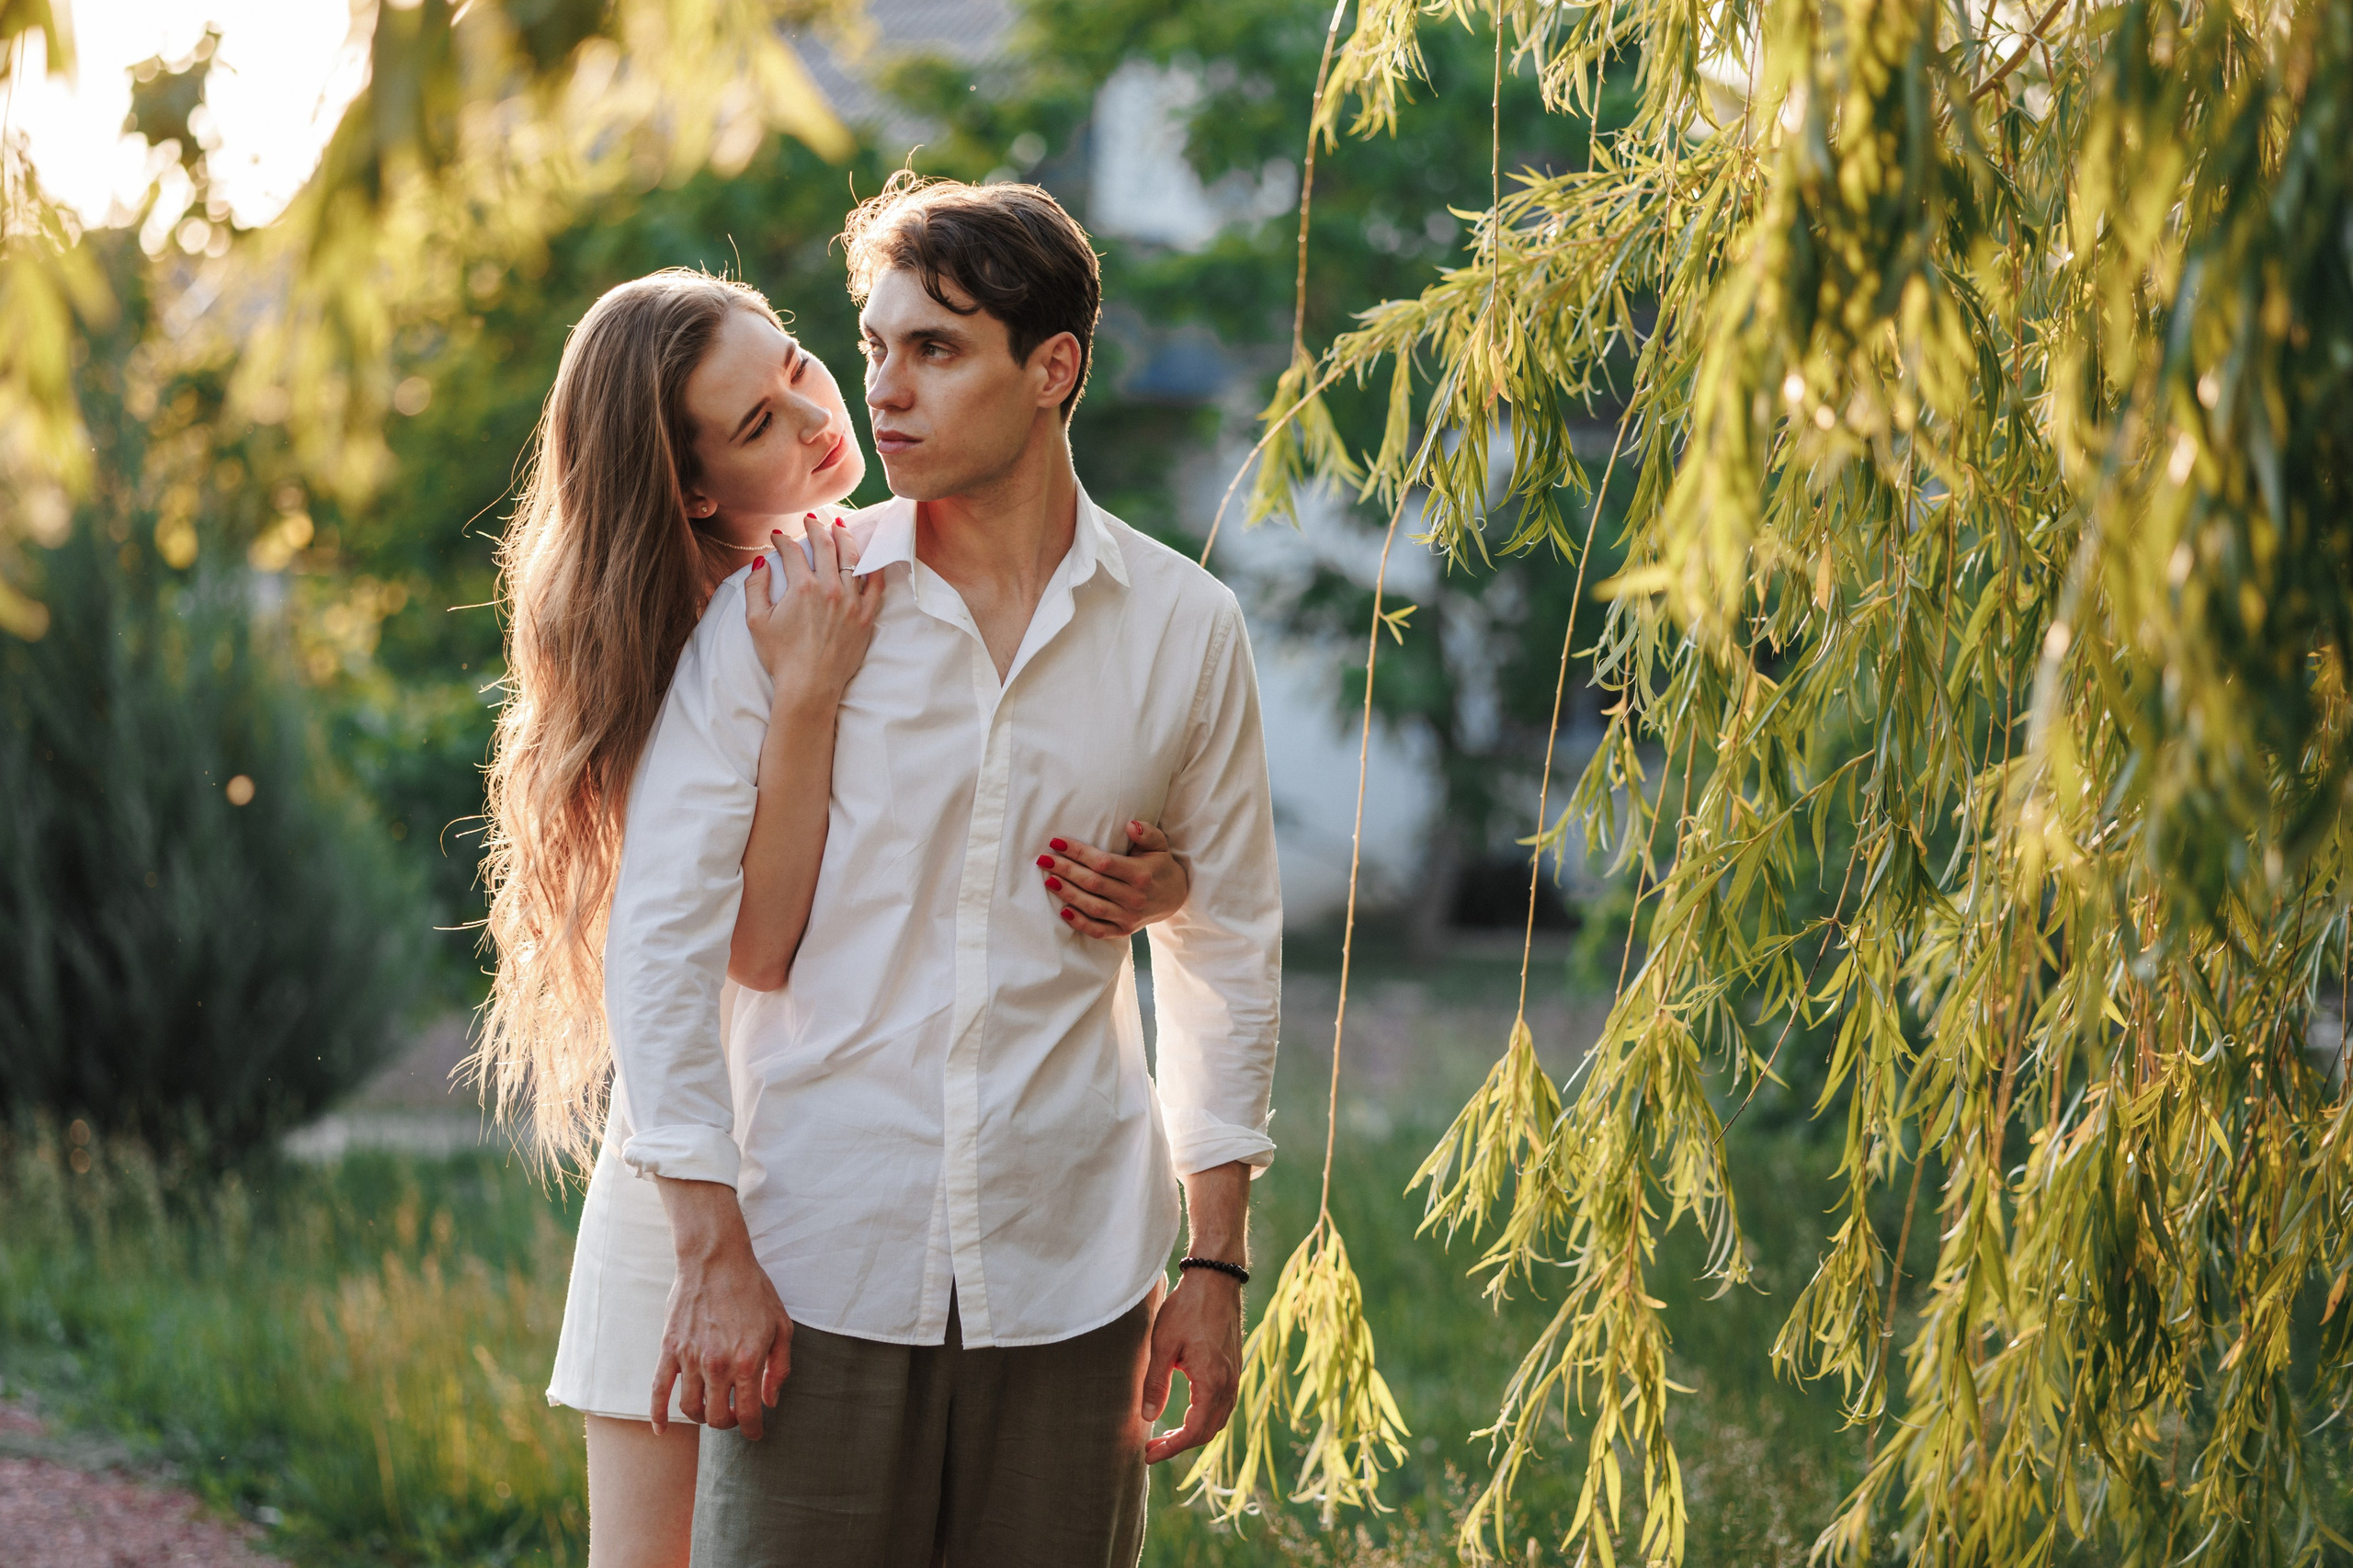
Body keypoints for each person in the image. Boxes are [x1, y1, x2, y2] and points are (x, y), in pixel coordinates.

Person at [608, 174, 1283, 1568]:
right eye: (873, 346)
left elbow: (1225, 945)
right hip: (816, 1267)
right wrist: (711, 1251)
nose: (882, 391)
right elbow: (664, 939)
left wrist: (1215, 1262)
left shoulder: (1185, 628)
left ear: (1053, 370)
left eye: (935, 349)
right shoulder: (784, 612)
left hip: (1073, 1278)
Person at [470, 268, 1193, 1568]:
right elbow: (759, 949)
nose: (816, 416)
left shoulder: (874, 575)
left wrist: (1166, 880)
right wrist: (805, 696)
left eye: (798, 365)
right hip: (701, 1187)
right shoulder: (712, 631)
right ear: (695, 490)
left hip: (829, 1199)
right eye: (757, 424)